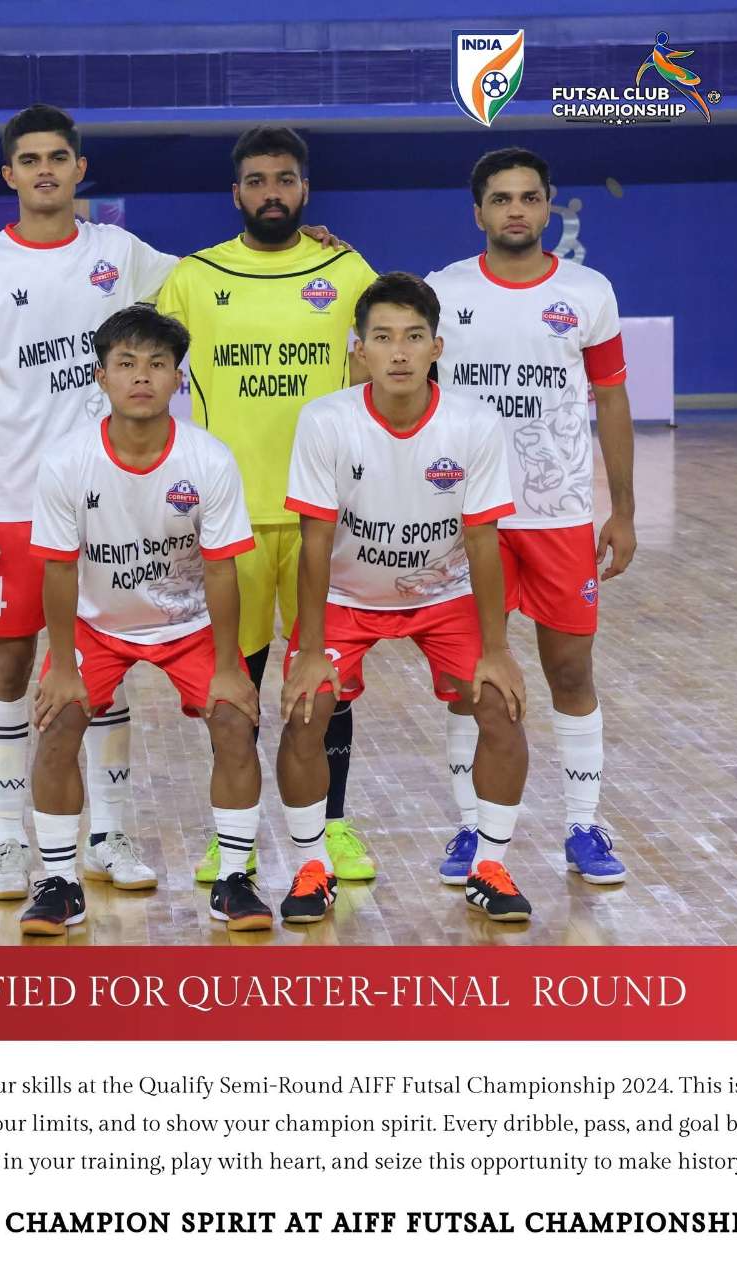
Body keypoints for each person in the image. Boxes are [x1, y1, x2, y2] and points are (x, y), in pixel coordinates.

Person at [0, 104, 177, 901]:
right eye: (31, 159)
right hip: (10, 501)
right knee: (9, 666)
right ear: (10, 174)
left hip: (107, 502)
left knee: (104, 667)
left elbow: (207, 280)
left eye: (58, 157)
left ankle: (108, 833)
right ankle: (11, 842)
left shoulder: (119, 253)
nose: (45, 170)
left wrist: (301, 246)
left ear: (80, 169)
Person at [157, 126, 380, 886]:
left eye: (285, 179)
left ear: (305, 189)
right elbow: (145, 368)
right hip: (232, 519)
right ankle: (236, 838)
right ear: (236, 194)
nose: (272, 193)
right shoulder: (194, 277)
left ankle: (333, 828)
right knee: (235, 686)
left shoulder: (345, 269)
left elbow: (387, 357)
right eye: (256, 181)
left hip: (328, 514)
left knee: (328, 683)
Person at [277, 273, 532, 924]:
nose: (398, 352)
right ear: (359, 349)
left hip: (445, 594)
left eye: (414, 337)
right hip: (347, 594)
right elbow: (314, 543)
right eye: (384, 338)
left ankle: (490, 865)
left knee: (500, 705)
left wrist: (497, 649)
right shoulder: (326, 420)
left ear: (436, 348)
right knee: (307, 709)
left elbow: (483, 541)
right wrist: (310, 650)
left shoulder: (473, 422)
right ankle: (312, 865)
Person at [425, 147, 635, 887]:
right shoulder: (443, 292)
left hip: (558, 517)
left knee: (570, 671)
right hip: (465, 520)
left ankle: (584, 825)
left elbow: (611, 398)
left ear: (548, 207)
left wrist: (623, 510)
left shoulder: (588, 292)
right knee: (468, 681)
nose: (515, 210)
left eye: (528, 197)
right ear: (477, 212)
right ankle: (471, 828)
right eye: (501, 198)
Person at [25, 306, 268, 935]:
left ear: (177, 379)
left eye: (157, 364)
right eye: (126, 363)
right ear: (100, 376)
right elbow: (58, 570)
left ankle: (234, 879)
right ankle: (59, 881)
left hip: (187, 624)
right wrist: (62, 667)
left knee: (235, 719)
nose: (141, 376)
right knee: (57, 721)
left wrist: (228, 667)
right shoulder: (67, 461)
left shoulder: (208, 459)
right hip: (97, 625)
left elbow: (221, 570)